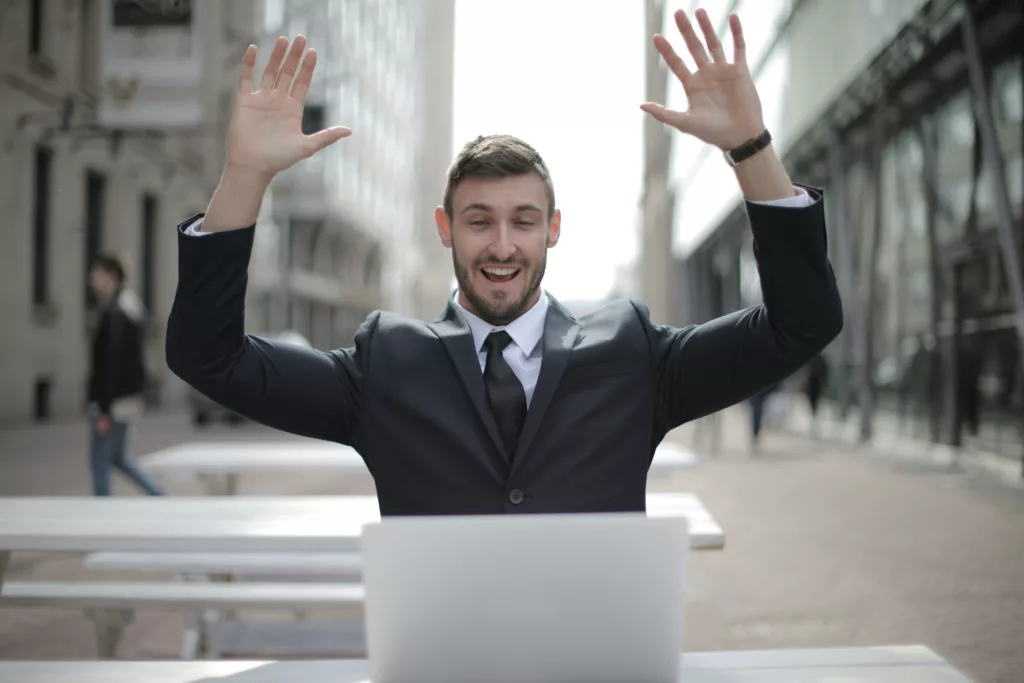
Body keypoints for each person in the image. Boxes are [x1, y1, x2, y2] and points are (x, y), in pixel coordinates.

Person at [166, 10, 843, 516]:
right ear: (445, 230)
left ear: (553, 230)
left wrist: (751, 148)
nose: (500, 245)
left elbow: (802, 323)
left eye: (523, 221)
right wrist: (245, 175)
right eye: (478, 220)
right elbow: (209, 357)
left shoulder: (635, 356)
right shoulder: (385, 366)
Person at [87, 253, 163, 496]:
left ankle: (102, 515)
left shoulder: (115, 313)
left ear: (112, 277)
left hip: (112, 403)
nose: (92, 280)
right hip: (125, 400)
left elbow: (109, 366)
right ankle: (159, 497)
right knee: (118, 458)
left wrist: (104, 410)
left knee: (100, 460)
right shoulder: (129, 308)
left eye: (97, 274)